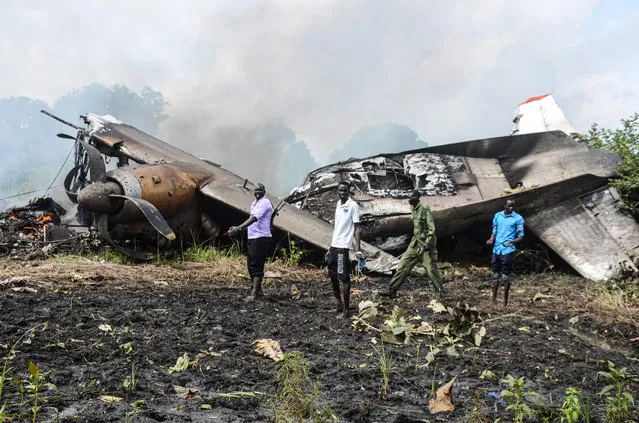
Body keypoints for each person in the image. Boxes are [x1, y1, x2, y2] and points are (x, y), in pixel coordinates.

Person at [380, 190, 444, 298]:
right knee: (403, 266)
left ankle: (441, 294)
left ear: (418, 197)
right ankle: (392, 290)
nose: (409, 199)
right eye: (408, 197)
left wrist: (428, 243)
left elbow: (431, 229)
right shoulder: (413, 208)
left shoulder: (424, 208)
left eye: (411, 197)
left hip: (426, 246)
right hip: (415, 244)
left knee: (431, 271)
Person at [228, 183, 273, 301]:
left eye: (259, 190)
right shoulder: (254, 203)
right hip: (253, 237)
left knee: (256, 264)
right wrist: (237, 227)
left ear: (264, 191)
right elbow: (251, 219)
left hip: (261, 237)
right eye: (256, 190)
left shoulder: (265, 203)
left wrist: (238, 228)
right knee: (250, 264)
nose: (257, 192)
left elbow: (254, 218)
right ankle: (259, 291)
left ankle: (254, 294)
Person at [327, 181, 362, 318]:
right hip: (334, 245)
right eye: (340, 191)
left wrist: (358, 249)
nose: (342, 193)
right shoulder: (338, 204)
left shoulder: (353, 205)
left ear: (349, 191)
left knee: (344, 277)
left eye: (345, 191)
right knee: (332, 275)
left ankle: (346, 310)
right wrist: (330, 246)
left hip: (343, 247)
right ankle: (339, 304)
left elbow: (357, 227)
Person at [486, 199, 524, 307]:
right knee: (495, 274)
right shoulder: (498, 216)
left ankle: (505, 303)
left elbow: (521, 236)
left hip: (508, 250)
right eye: (509, 206)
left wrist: (511, 241)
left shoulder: (518, 218)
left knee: (505, 276)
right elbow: (495, 230)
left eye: (512, 206)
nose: (511, 208)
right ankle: (493, 300)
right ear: (504, 206)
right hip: (497, 249)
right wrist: (491, 239)